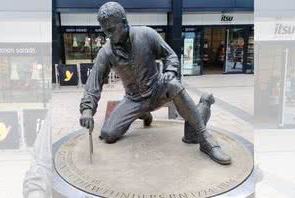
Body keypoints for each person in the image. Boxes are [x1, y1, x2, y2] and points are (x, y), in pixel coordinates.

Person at [79, 2, 231, 165]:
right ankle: (143, 113)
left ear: (124, 22)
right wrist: (87, 110)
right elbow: (93, 82)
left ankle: (206, 139)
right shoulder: (106, 52)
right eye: (105, 31)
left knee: (173, 84)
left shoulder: (146, 34)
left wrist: (170, 71)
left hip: (158, 88)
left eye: (111, 29)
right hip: (134, 99)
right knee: (108, 134)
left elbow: (171, 56)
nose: (108, 35)